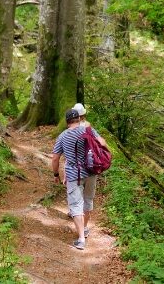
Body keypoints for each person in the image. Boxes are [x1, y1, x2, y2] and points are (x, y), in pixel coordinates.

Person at [51, 107, 107, 250]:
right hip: (91, 171)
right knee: (88, 200)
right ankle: (85, 228)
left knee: (76, 204)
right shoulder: (88, 131)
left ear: (67, 121)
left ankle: (81, 239)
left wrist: (56, 174)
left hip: (73, 174)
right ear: (79, 119)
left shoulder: (63, 136)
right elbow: (102, 143)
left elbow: (55, 158)